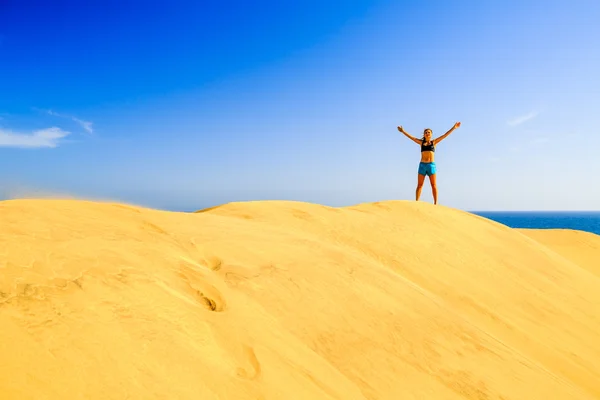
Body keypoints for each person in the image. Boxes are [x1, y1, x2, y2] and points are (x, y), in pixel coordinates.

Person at [397, 122, 461, 204]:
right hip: (422, 165)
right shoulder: (421, 143)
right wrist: (403, 131)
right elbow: (411, 138)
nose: (427, 134)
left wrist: (454, 127)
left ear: (431, 134)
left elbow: (444, 135)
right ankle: (417, 202)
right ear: (424, 134)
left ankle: (435, 203)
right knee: (419, 185)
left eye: (429, 132)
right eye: (426, 132)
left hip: (431, 166)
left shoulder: (434, 142)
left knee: (433, 185)